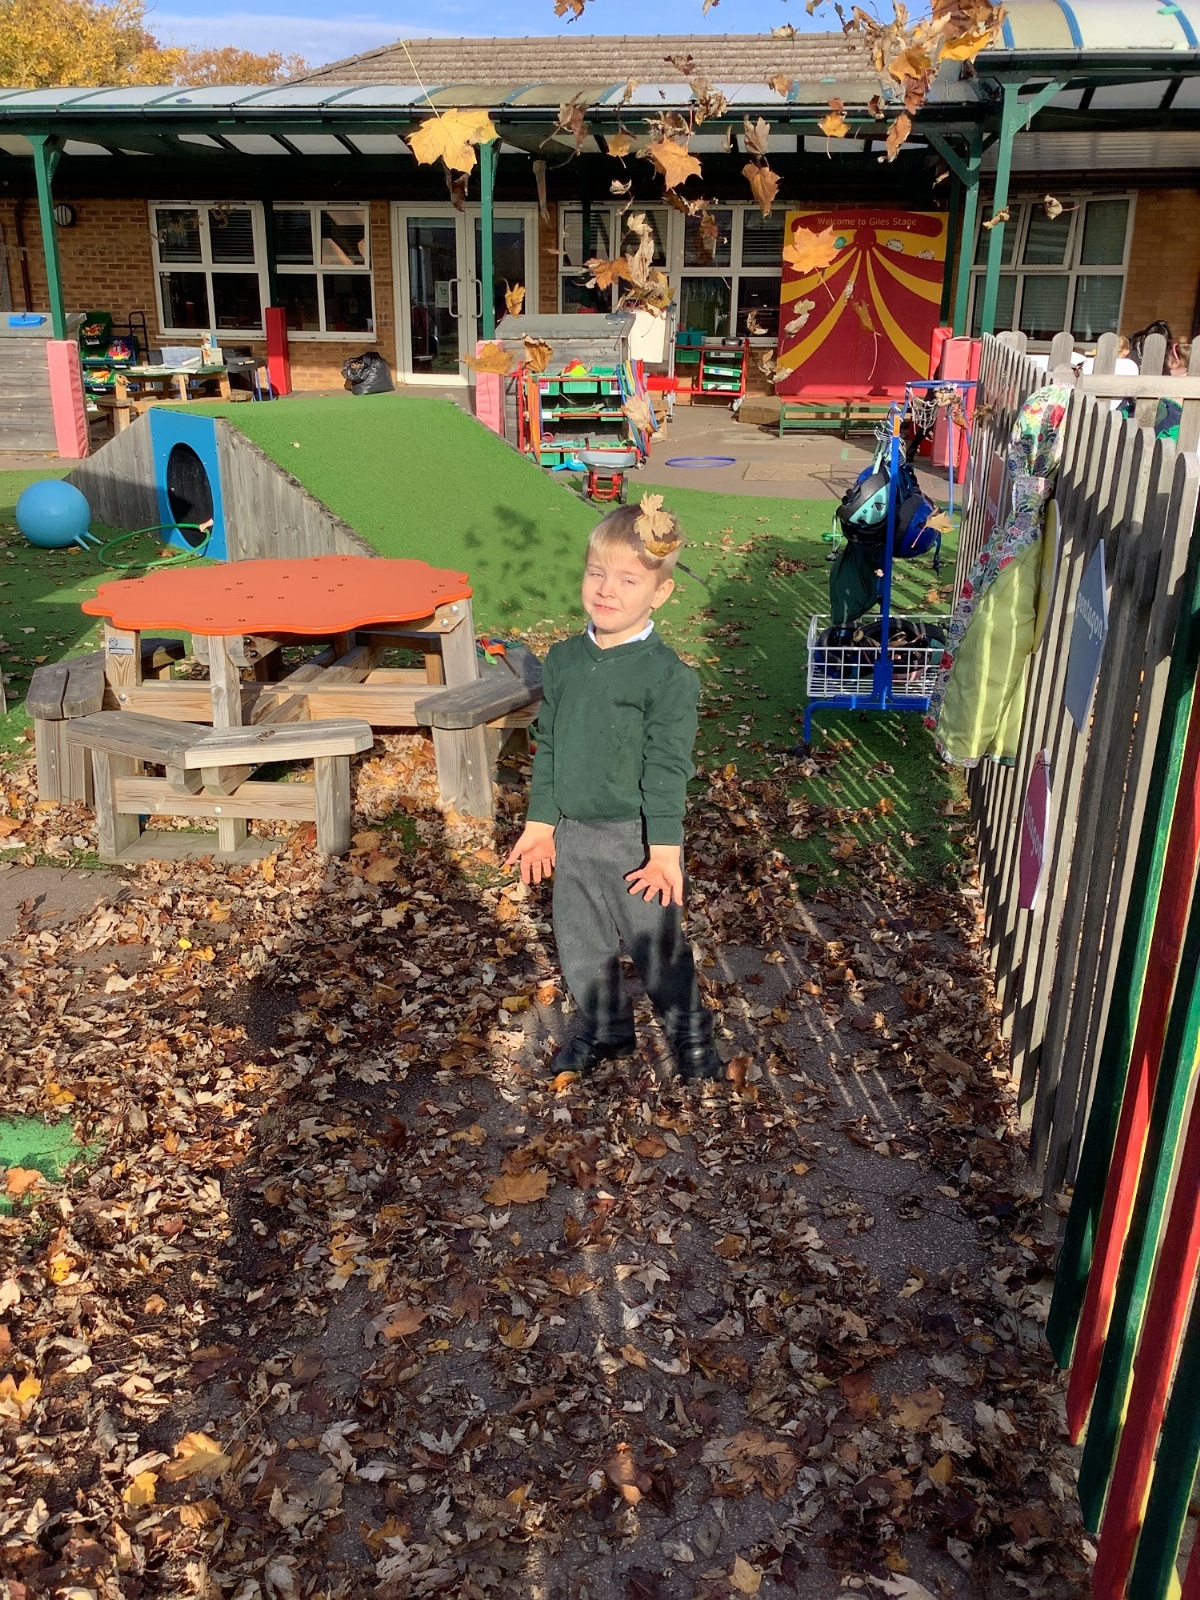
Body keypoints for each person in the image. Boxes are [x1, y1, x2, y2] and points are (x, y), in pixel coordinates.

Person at [503, 503, 722, 1082]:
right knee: (581, 944)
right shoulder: (564, 660)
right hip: (574, 834)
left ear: (660, 592)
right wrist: (541, 823)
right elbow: (550, 744)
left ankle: (690, 1036)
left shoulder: (667, 676)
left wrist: (665, 851)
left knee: (657, 948)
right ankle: (606, 1031)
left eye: (628, 580)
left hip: (637, 841)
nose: (606, 590)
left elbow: (668, 768)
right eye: (597, 573)